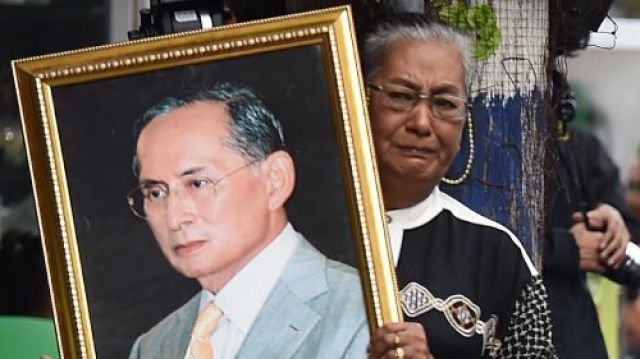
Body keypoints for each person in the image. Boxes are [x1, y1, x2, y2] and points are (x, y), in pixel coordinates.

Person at [359, 13, 555, 358]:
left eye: (444, 104)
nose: (421, 122)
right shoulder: (290, 229)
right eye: (402, 96)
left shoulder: (497, 255)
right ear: (361, 99)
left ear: (465, 120)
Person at [127, 83, 368, 358]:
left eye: (198, 183)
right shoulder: (154, 346)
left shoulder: (363, 315)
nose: (174, 217)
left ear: (275, 181)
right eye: (156, 193)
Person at [544, 124, 640, 359]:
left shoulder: (583, 149)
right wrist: (564, 248)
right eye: (635, 187)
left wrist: (614, 229)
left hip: (577, 335)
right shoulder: (480, 143)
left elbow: (630, 248)